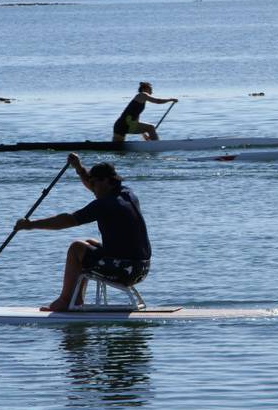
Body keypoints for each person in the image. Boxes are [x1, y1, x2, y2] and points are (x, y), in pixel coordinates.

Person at [14, 153, 151, 312]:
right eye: (90, 183)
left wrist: (30, 225)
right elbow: (91, 183)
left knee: (76, 248)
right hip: (142, 269)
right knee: (90, 242)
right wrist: (79, 168)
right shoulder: (127, 193)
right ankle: (76, 299)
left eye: (94, 184)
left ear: (106, 181)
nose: (92, 188)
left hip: (125, 270)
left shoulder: (104, 204)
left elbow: (67, 220)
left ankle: (65, 300)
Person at [113, 82, 178, 141]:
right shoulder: (142, 94)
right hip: (125, 125)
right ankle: (156, 145)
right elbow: (158, 101)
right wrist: (171, 99)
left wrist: (144, 134)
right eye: (150, 89)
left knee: (118, 149)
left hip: (119, 126)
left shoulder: (139, 101)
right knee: (151, 128)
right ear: (145, 89)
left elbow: (136, 119)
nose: (152, 92)